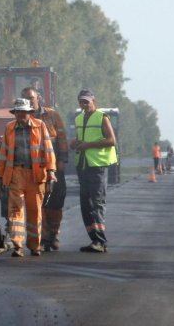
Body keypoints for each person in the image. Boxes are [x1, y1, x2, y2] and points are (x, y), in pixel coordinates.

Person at [0, 98, 57, 257]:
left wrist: (51, 172)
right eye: (18, 112)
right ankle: (18, 246)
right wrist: (1, 175)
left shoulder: (40, 126)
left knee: (34, 211)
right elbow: (3, 154)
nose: (21, 115)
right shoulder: (9, 128)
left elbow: (48, 150)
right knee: (15, 212)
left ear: (29, 113)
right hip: (16, 174)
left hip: (36, 175)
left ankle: (34, 246)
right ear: (14, 113)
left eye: (24, 112)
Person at [21, 87, 68, 252]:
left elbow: (62, 138)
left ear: (38, 98)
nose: (29, 101)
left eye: (31, 98)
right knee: (38, 204)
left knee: (56, 201)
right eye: (25, 99)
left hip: (53, 166)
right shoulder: (22, 117)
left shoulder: (52, 115)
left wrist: (62, 161)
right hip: (33, 168)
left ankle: (54, 235)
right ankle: (42, 237)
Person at [70, 89, 117, 253]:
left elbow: (112, 140)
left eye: (86, 102)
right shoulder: (78, 118)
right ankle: (94, 240)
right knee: (85, 204)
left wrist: (88, 145)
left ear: (93, 101)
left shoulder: (102, 117)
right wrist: (75, 142)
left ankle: (101, 240)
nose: (84, 105)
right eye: (81, 102)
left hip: (97, 166)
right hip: (83, 164)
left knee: (97, 203)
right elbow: (82, 138)